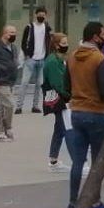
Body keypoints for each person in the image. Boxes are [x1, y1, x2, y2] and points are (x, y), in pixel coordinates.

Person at [66, 21, 104, 208]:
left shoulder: (72, 56)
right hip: (96, 112)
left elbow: (66, 85)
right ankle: (94, 202)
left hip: (77, 112)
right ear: (96, 37)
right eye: (103, 34)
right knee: (98, 161)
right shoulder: (98, 58)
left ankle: (73, 203)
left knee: (78, 161)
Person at [43, 33, 71, 171]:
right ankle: (78, 161)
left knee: (60, 128)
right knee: (65, 128)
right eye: (63, 43)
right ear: (56, 45)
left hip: (59, 97)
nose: (66, 45)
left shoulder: (58, 59)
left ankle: (53, 160)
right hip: (59, 98)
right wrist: (69, 96)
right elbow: (58, 83)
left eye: (66, 43)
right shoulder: (53, 61)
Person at [0, 25, 20, 141]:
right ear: (4, 33)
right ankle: (8, 128)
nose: (13, 35)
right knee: (10, 104)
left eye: (15, 33)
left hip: (10, 81)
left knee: (3, 106)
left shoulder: (13, 47)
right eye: (11, 33)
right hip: (0, 80)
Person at [22, 8, 52, 112]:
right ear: (35, 15)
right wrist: (26, 54)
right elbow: (23, 42)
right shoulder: (29, 27)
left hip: (42, 59)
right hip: (31, 59)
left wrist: (47, 55)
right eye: (39, 15)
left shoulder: (47, 28)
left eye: (43, 15)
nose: (41, 17)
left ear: (46, 16)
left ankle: (35, 106)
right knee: (24, 82)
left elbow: (49, 42)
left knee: (39, 84)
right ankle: (19, 106)